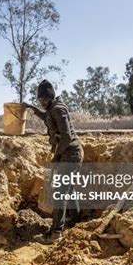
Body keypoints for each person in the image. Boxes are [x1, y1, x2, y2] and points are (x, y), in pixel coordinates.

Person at [22, 79, 83, 244]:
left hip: (70, 154)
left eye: (43, 99)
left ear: (51, 96)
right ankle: (75, 222)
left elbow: (67, 137)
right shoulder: (53, 108)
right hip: (69, 153)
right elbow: (47, 117)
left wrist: (56, 156)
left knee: (60, 192)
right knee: (68, 190)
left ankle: (55, 233)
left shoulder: (58, 109)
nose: (42, 103)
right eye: (39, 100)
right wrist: (32, 108)